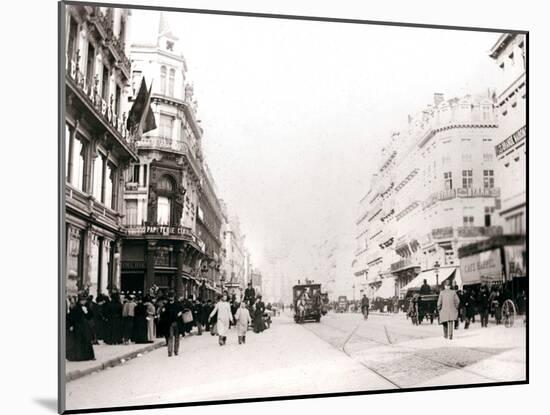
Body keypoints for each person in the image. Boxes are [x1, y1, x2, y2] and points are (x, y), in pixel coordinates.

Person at [67, 292, 95, 361]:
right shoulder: (76, 307)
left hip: (85, 327)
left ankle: (87, 356)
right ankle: (79, 356)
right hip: (78, 327)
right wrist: (71, 325)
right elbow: (71, 317)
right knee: (78, 341)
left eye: (84, 300)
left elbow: (90, 316)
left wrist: (87, 312)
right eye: (82, 300)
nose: (84, 301)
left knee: (86, 341)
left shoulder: (86, 307)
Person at [160, 291, 183, 357]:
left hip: (177, 323)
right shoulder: (167, 305)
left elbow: (182, 310)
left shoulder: (176, 304)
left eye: (171, 297)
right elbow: (163, 314)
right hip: (170, 324)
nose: (171, 298)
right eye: (170, 297)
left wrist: (180, 313)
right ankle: (170, 352)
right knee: (170, 337)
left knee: (176, 337)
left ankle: (176, 351)